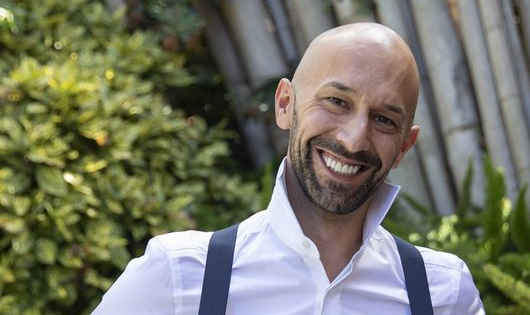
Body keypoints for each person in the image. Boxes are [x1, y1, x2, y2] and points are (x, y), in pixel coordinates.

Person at [92, 22, 485, 314]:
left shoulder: (444, 294)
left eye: (383, 120)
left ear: (404, 146)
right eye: (336, 101)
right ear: (285, 104)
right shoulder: (177, 276)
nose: (353, 139)